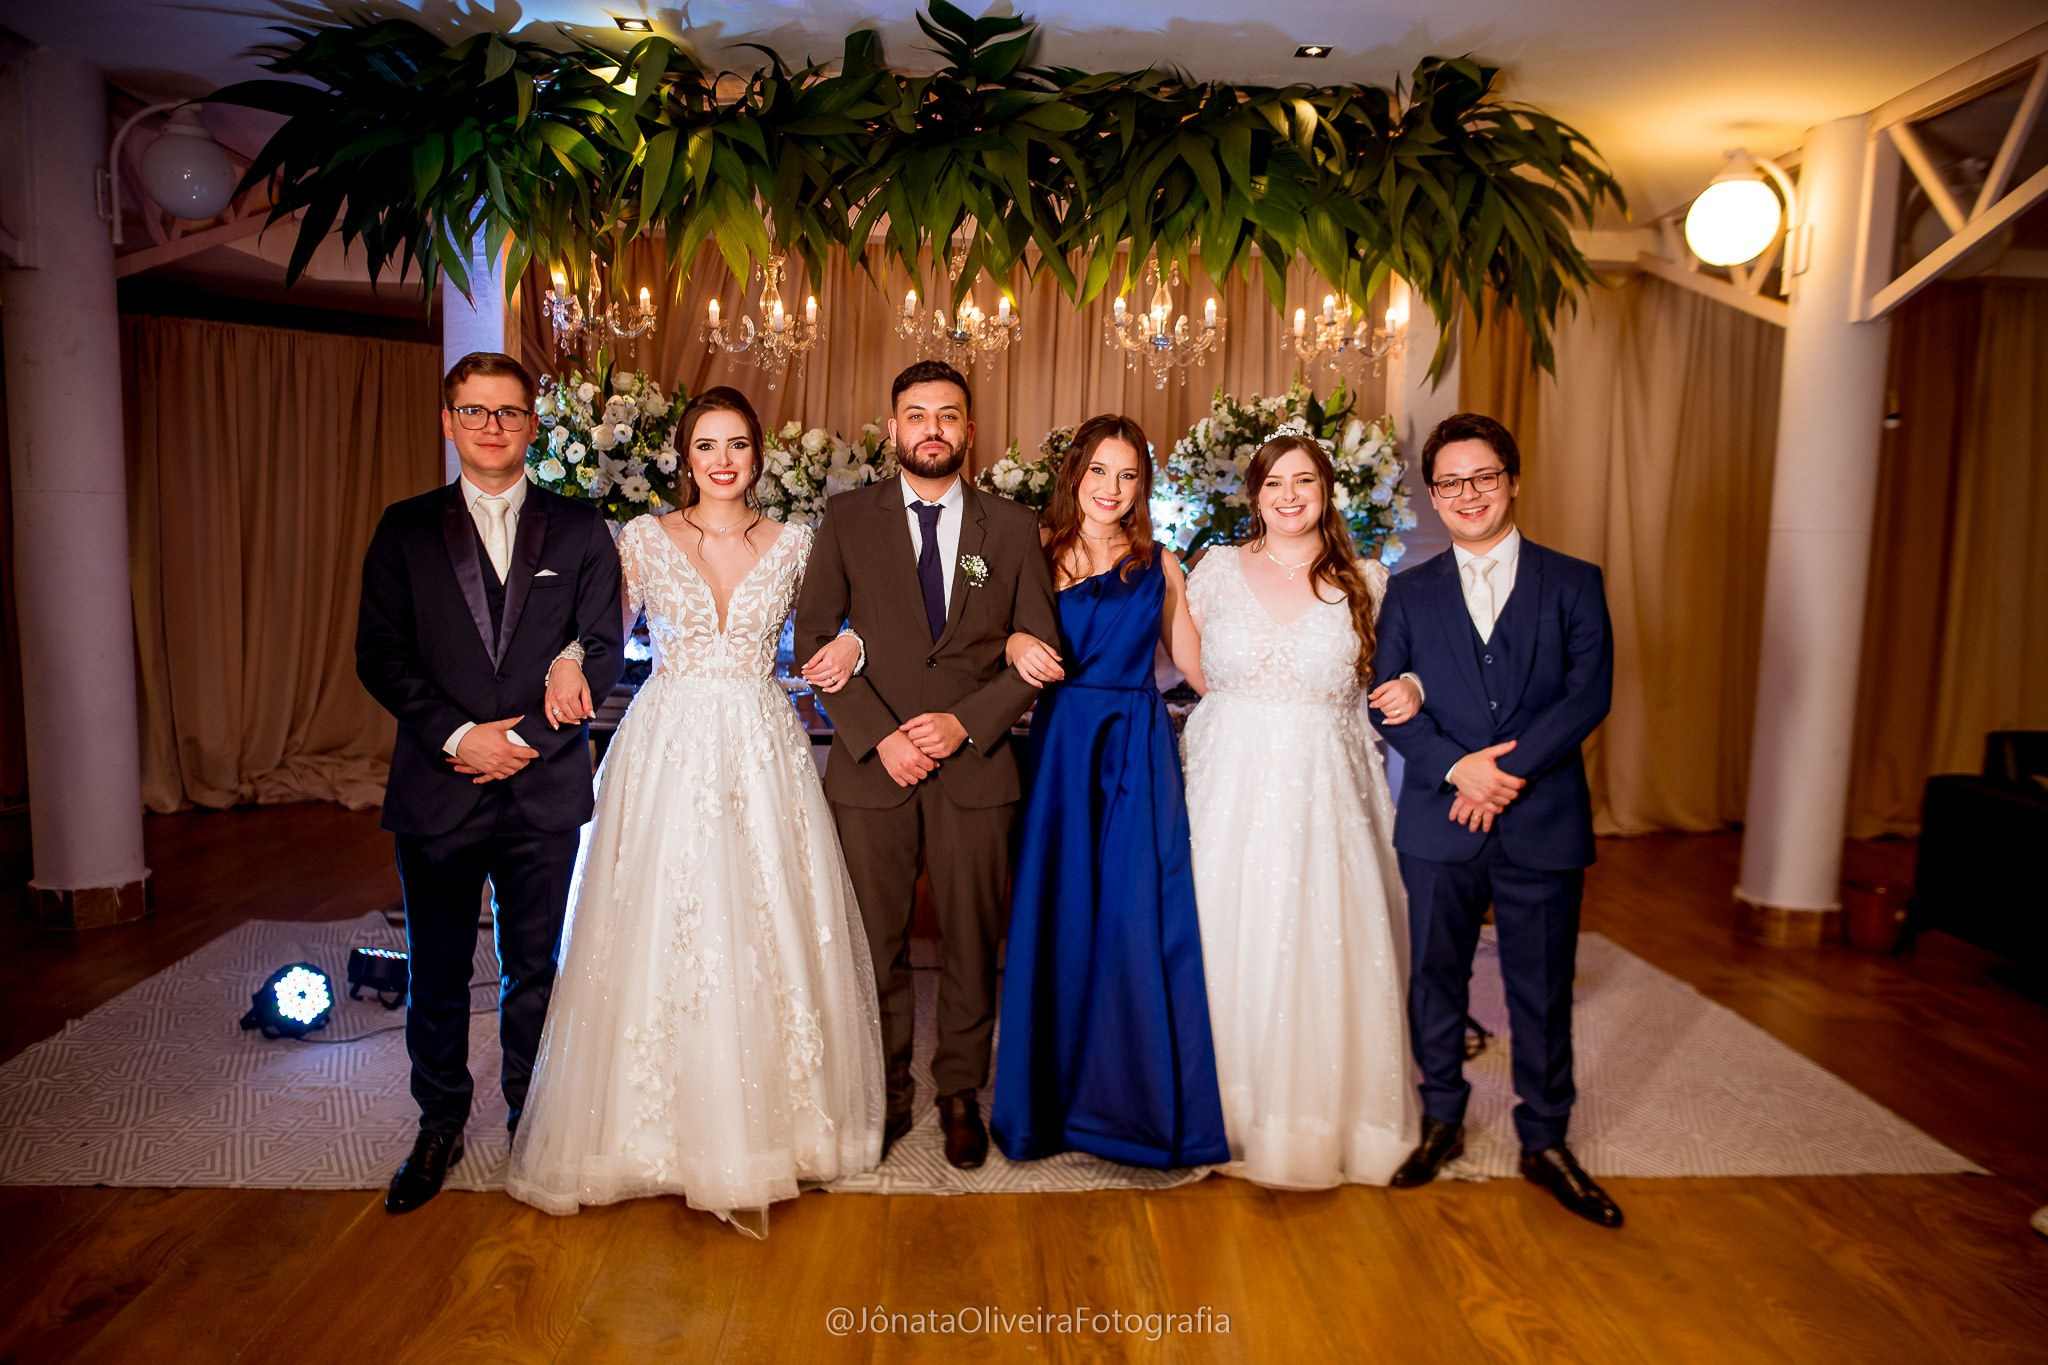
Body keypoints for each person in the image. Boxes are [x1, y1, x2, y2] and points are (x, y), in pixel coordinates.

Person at [505, 386, 883, 1234]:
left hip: (758, 738)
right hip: (667, 736)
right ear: (685, 456)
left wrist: (853, 640)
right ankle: (646, 1132)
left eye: (737, 444)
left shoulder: (797, 542)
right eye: (706, 444)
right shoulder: (641, 536)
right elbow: (601, 625)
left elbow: (839, 624)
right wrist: (566, 658)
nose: (722, 460)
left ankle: (773, 1126)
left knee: (761, 916)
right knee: (654, 917)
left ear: (757, 455)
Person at [355, 351, 624, 1214]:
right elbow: (380, 655)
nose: (492, 426)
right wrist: (461, 736)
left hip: (541, 789)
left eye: (508, 412)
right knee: (436, 968)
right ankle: (438, 1122)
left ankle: (530, 1119)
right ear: (449, 421)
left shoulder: (581, 530)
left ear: (533, 424)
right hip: (439, 786)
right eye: (474, 411)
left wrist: (530, 742)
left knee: (535, 968)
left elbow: (602, 646)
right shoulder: (402, 528)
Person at [792, 360, 1061, 1169]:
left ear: (968, 430)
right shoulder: (844, 520)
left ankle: (956, 1094)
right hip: (873, 770)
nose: (932, 429)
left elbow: (1038, 650)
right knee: (873, 945)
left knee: (973, 945)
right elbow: (813, 643)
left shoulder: (1010, 527)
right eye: (916, 415)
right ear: (893, 428)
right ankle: (884, 1093)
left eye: (947, 415)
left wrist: (964, 722)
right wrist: (884, 737)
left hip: (976, 771)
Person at [1371, 411, 1621, 1228]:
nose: (1468, 494)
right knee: (1433, 977)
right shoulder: (1406, 592)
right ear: (1434, 496)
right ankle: (1441, 1113)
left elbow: (1588, 694)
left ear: (1513, 480)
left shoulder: (1574, 580)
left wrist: (1501, 772)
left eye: (1483, 477)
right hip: (1439, 819)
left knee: (1541, 987)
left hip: (1541, 818)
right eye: (1450, 482)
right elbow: (1387, 701)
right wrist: (1456, 767)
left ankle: (1545, 1137)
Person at [1179, 429, 1423, 1188]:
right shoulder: (1214, 569)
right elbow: (1174, 658)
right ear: (1253, 494)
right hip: (1226, 783)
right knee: (1226, 931)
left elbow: (1406, 669)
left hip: (1326, 789)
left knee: (1321, 935)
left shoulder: (1369, 578)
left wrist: (1416, 687)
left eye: (1305, 482)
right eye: (1274, 482)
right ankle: (1216, 1107)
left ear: (1327, 493)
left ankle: (1316, 1118)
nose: (1289, 495)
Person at [988, 415, 1230, 1169]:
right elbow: (991, 632)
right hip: (1061, 743)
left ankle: (1127, 1108)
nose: (1112, 489)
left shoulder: (1162, 565)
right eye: (1100, 471)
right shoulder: (1034, 552)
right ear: (1076, 475)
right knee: (1056, 912)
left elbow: (1197, 668)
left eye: (1127, 476)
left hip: (1135, 740)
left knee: (1133, 918)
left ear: (1141, 487)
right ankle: (1044, 1104)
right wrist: (1011, 641)